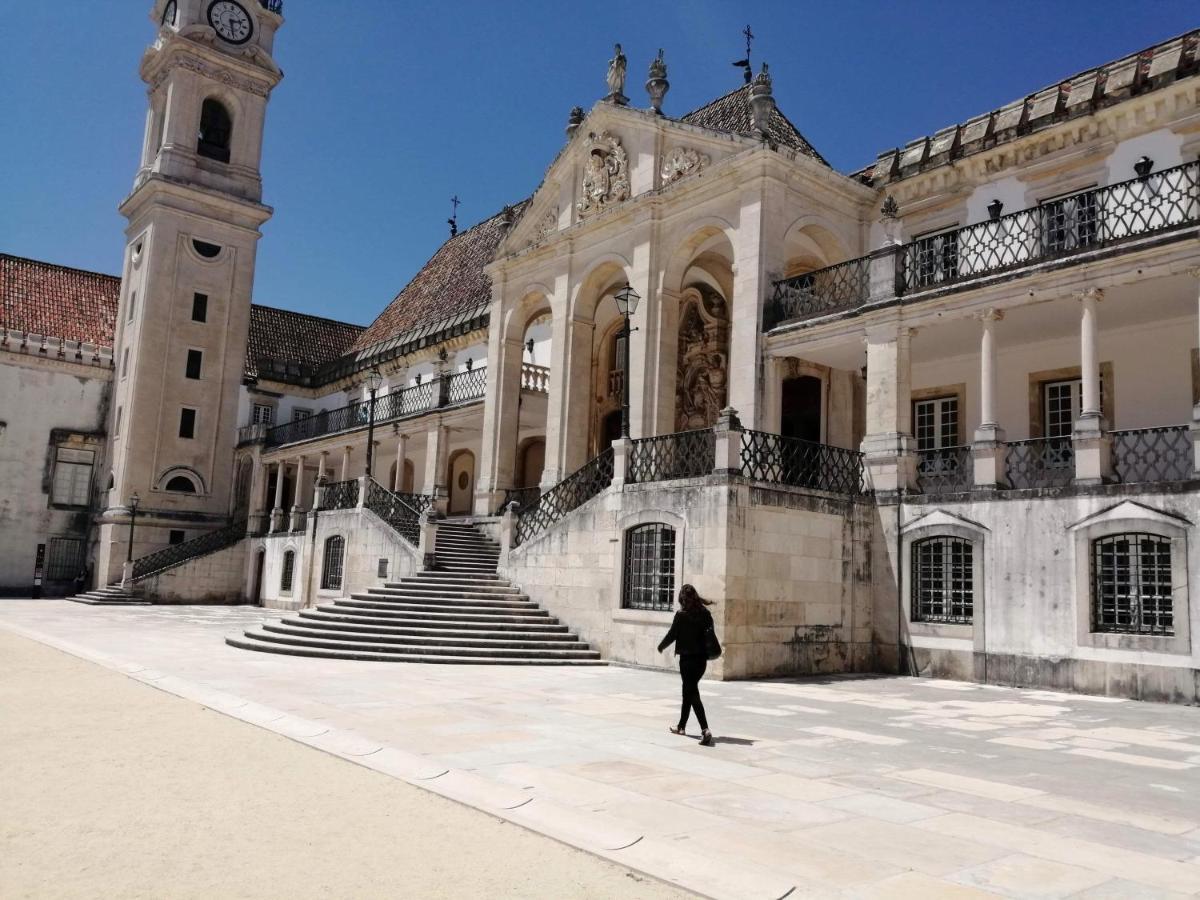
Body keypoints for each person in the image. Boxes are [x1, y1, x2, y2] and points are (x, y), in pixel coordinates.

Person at [657, 584, 714, 746]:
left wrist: (661, 646)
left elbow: (672, 634)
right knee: (688, 691)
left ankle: (705, 729)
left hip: (687, 661)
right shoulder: (705, 614)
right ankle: (681, 726)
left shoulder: (681, 615)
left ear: (682, 598)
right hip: (701, 660)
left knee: (692, 692)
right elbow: (710, 635)